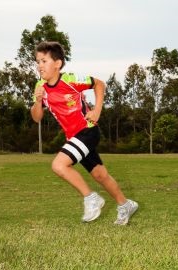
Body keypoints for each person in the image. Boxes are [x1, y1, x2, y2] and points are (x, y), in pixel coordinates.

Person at [30, 41, 138, 225]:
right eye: (38, 62)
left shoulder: (70, 79)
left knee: (59, 165)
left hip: (87, 131)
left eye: (44, 61)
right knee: (100, 175)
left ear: (57, 64)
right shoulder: (40, 86)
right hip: (74, 137)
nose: (39, 65)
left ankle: (91, 198)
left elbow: (99, 84)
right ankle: (125, 204)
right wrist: (38, 101)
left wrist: (97, 110)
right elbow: (36, 117)